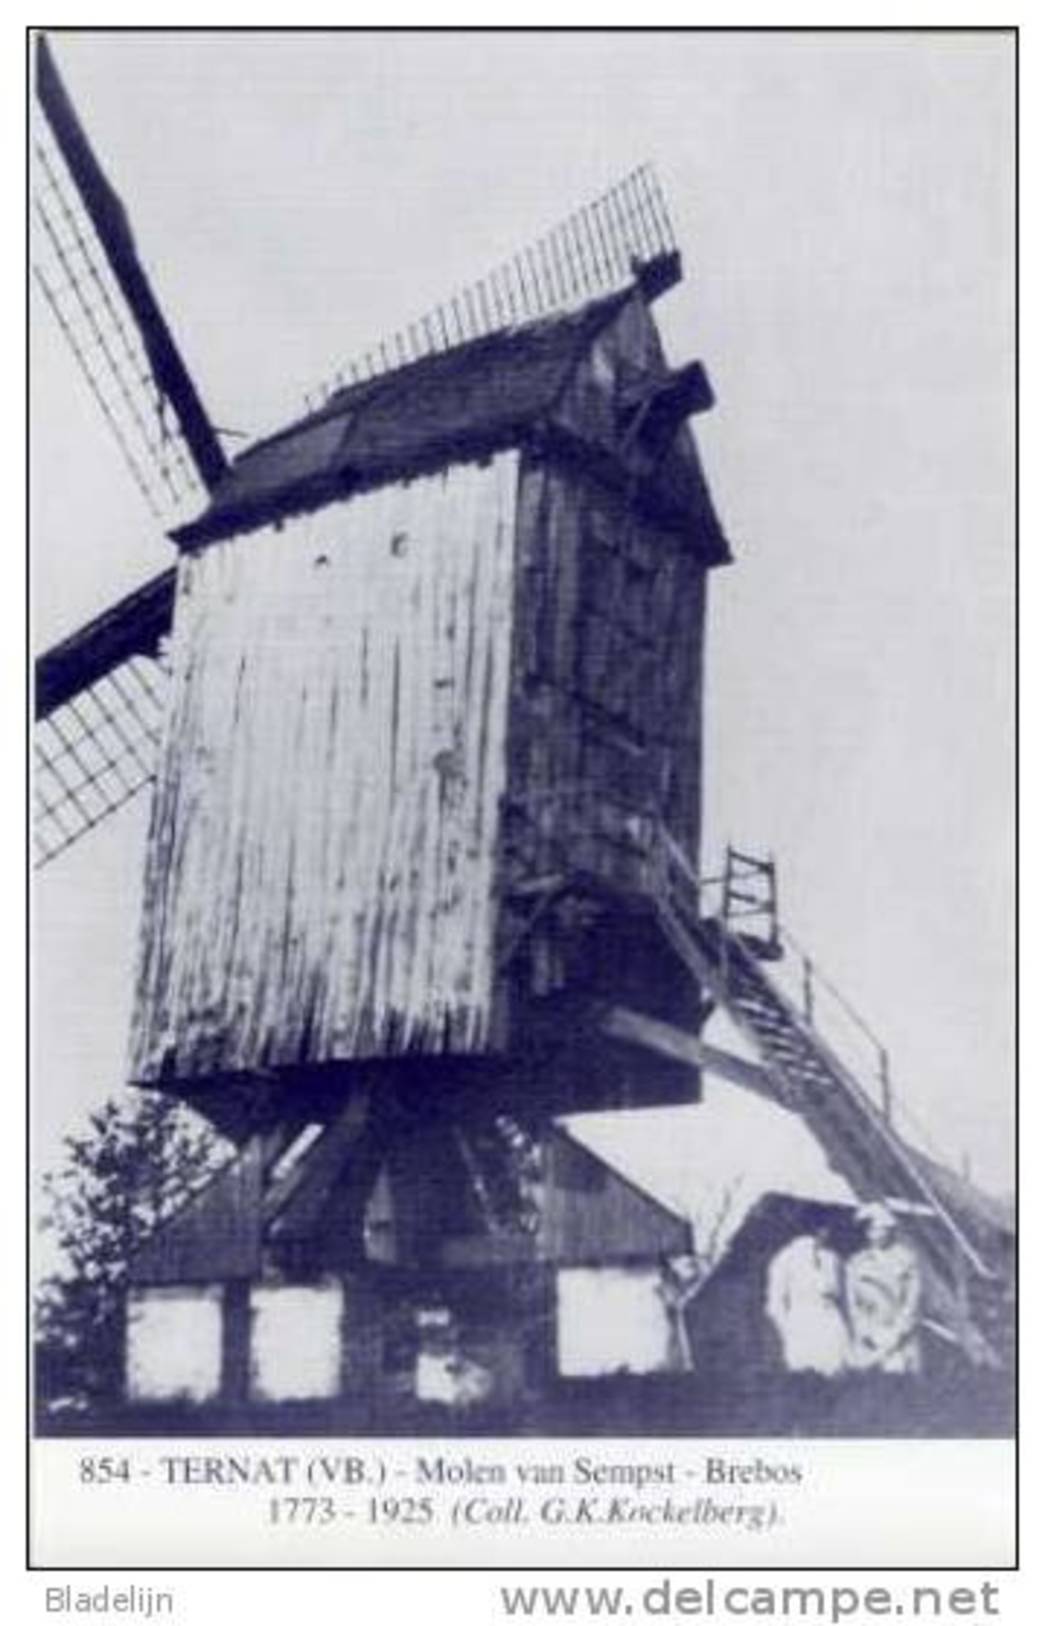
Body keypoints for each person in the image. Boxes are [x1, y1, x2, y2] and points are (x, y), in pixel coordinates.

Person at [844, 1203, 922, 1375]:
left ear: (890, 1230)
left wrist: (896, 1333)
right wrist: (864, 1331)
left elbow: (912, 1301)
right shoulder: (857, 1262)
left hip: (899, 1335)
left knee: (899, 1385)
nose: (874, 1234)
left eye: (880, 1228)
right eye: (870, 1229)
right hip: (869, 1334)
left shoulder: (905, 1259)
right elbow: (852, 1304)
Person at [765, 1226, 850, 1377]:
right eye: (819, 1228)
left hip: (831, 1325)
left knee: (834, 1376)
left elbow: (843, 1299)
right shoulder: (785, 1258)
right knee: (805, 1378)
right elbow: (775, 1304)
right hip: (801, 1325)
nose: (824, 1233)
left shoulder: (832, 1259)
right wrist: (789, 1332)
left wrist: (846, 1330)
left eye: (826, 1228)